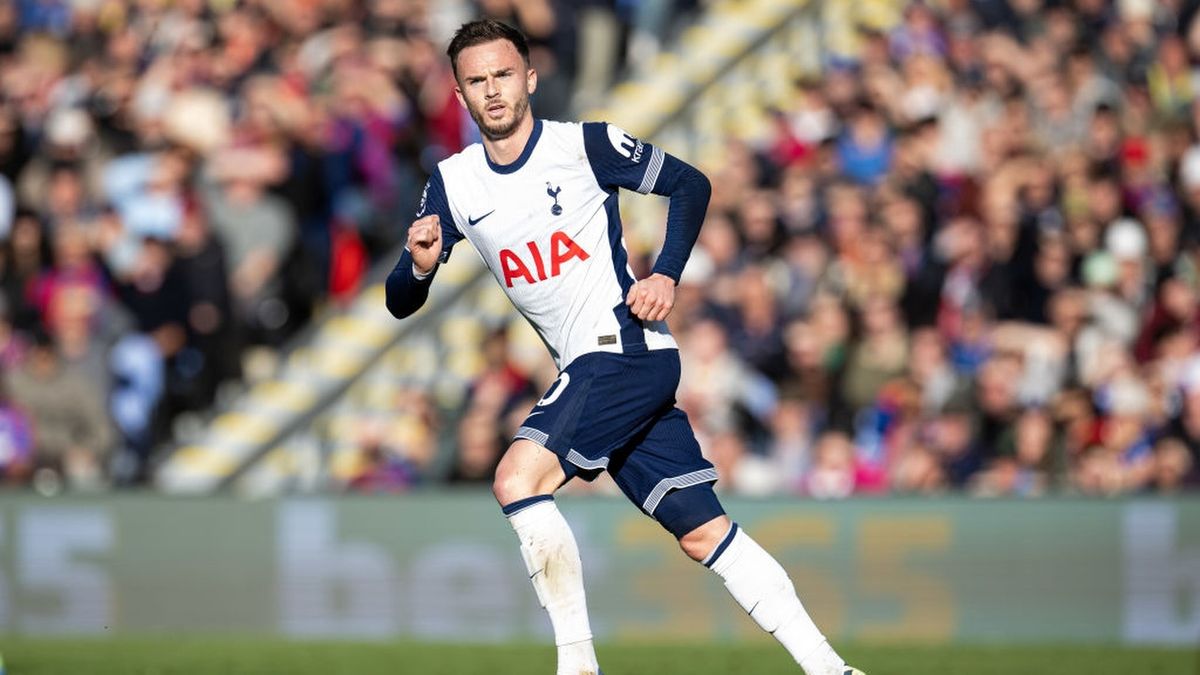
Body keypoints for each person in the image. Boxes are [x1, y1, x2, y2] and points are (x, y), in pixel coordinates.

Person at [385, 19, 864, 675]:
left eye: (502, 74)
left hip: (619, 348)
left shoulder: (584, 145)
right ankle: (832, 668)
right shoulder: (454, 183)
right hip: (603, 367)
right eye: (476, 81)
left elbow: (690, 184)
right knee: (704, 535)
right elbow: (399, 299)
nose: (492, 91)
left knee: (516, 478)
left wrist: (665, 271)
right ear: (461, 95)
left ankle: (577, 666)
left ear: (528, 77)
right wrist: (415, 266)